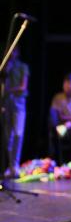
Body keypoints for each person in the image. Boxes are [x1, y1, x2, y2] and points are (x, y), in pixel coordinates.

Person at [2, 48, 28, 178]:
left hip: (19, 102)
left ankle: (15, 165)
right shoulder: (5, 67)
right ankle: (10, 166)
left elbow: (23, 86)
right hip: (7, 103)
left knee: (18, 133)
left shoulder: (23, 67)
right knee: (8, 135)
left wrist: (10, 90)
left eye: (14, 51)